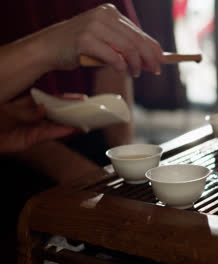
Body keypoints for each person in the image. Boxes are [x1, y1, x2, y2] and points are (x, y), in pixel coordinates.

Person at [0, 4, 167, 262]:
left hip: (75, 140)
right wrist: (50, 45)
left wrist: (123, 166)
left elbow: (114, 69)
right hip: (19, 172)